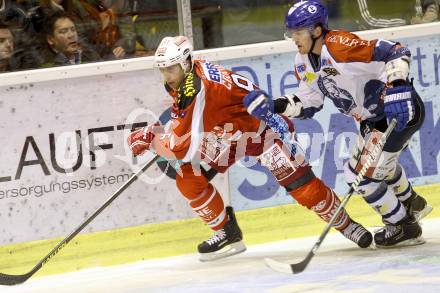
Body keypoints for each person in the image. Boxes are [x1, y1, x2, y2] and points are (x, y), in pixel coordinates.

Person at [127, 35, 373, 262]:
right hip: (228, 135)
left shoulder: (195, 88)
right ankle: (227, 232)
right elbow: (188, 123)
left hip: (262, 131)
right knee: (187, 176)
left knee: (303, 189)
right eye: (163, 69)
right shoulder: (188, 75)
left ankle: (347, 225)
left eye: (171, 68)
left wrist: (151, 138)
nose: (167, 75)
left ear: (186, 62)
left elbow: (180, 147)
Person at [246, 1, 433, 248]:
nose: (294, 38)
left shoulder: (339, 46)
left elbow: (395, 51)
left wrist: (398, 86)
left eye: (299, 32)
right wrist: (276, 105)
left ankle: (403, 225)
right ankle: (412, 202)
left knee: (363, 178)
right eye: (291, 32)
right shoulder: (303, 61)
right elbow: (309, 103)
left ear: (316, 30)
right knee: (367, 169)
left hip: (395, 112)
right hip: (371, 120)